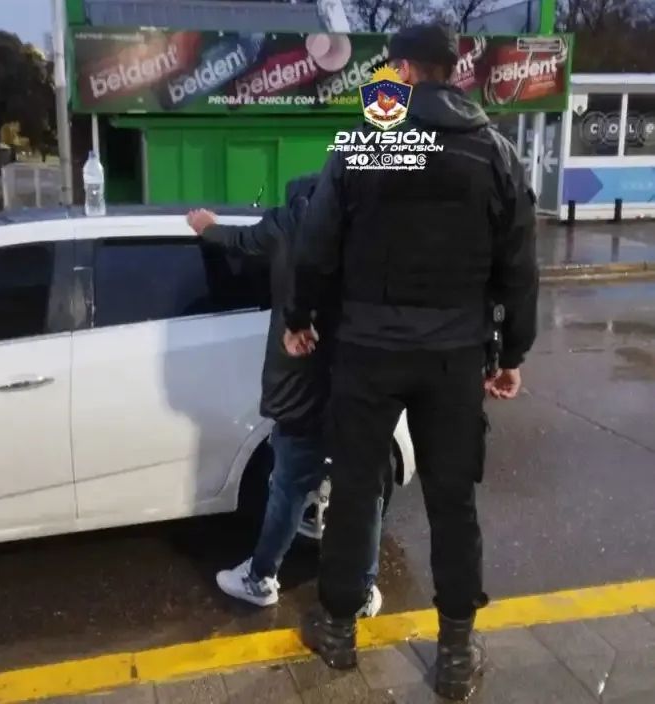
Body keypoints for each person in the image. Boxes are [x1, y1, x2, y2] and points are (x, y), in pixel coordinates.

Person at [283, 23, 538, 701]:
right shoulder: (496, 154)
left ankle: (338, 632)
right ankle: (454, 655)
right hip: (454, 358)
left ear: (401, 69)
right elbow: (519, 267)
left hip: (366, 353)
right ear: (453, 71)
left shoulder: (364, 149)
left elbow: (315, 247)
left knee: (356, 491)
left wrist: (299, 319)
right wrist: (511, 353)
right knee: (453, 503)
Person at [186, 176, 383, 617]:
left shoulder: (290, 223)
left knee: (289, 486)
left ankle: (260, 578)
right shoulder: (374, 230)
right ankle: (363, 589)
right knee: (363, 489)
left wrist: (205, 226)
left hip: (301, 387)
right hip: (361, 385)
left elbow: (238, 240)